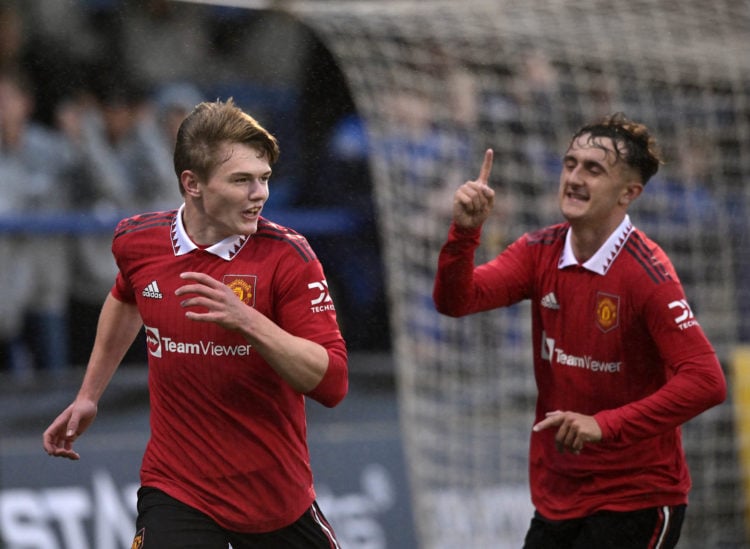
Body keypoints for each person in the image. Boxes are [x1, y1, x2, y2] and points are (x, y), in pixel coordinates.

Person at [43, 98, 347, 549]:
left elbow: (333, 384)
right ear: (193, 184)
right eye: (241, 180)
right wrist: (89, 394)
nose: (259, 194)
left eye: (263, 178)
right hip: (177, 489)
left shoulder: (289, 258)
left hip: (274, 500)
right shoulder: (137, 240)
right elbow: (127, 298)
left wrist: (249, 321)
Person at [433, 112, 726, 549]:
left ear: (629, 192)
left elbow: (707, 382)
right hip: (559, 495)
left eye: (593, 169)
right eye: (570, 164)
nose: (573, 177)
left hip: (637, 497)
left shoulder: (648, 274)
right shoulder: (539, 251)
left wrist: (604, 425)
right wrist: (464, 234)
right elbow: (456, 301)